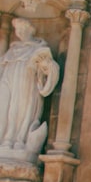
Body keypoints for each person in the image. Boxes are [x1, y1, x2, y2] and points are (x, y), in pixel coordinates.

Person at [0, 17, 59, 158]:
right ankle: (5, 139)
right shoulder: (13, 49)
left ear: (30, 30)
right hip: (9, 81)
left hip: (27, 84)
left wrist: (46, 67)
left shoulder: (38, 48)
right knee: (6, 109)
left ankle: (19, 139)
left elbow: (50, 69)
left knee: (21, 110)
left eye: (22, 29)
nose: (19, 32)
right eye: (17, 30)